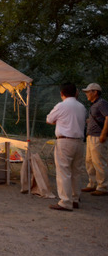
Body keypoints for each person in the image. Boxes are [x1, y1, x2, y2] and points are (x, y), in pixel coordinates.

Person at [46, 82, 87, 211]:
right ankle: (75, 198)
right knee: (76, 171)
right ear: (76, 93)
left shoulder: (61, 106)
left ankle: (65, 201)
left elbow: (49, 119)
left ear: (62, 93)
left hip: (65, 141)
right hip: (79, 141)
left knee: (64, 171)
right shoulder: (82, 107)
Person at [81, 83, 108, 196]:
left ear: (95, 92)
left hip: (98, 136)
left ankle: (103, 186)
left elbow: (107, 117)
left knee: (99, 162)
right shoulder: (94, 104)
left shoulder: (102, 103)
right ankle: (92, 183)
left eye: (88, 91)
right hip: (91, 136)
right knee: (90, 161)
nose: (87, 94)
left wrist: (103, 134)